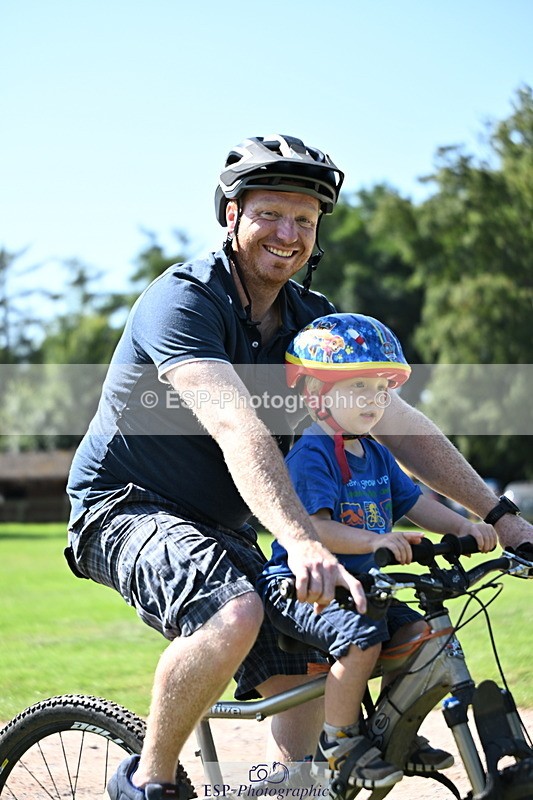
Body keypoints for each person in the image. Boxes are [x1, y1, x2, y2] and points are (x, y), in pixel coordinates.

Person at [65, 134, 532, 800]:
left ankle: (297, 787)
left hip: (236, 522)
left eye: (304, 220)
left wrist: (500, 515)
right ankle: (149, 779)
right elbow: (234, 423)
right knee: (233, 613)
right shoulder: (184, 301)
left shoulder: (317, 325)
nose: (287, 233)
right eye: (269, 214)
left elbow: (397, 423)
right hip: (129, 506)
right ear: (231, 216)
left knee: (309, 681)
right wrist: (301, 538)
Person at [257, 312, 497, 790]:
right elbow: (315, 531)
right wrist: (376, 541)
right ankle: (341, 741)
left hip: (364, 585)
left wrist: (471, 527)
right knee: (362, 639)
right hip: (304, 586)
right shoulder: (313, 452)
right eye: (358, 387)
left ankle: (392, 731)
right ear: (316, 394)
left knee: (419, 636)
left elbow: (417, 505)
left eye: (380, 388)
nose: (373, 400)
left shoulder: (376, 453)